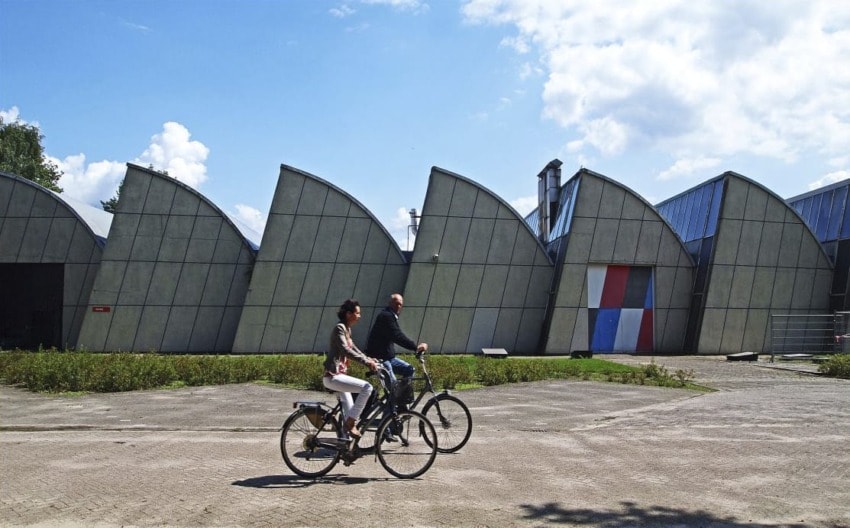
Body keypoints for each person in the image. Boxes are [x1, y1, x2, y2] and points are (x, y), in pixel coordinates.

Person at [323, 299, 379, 439]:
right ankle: (350, 423)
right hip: (333, 376)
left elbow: (354, 349)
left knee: (350, 412)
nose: (359, 316)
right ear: (349, 314)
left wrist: (369, 359)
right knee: (367, 388)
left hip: (338, 377)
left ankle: (345, 448)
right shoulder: (339, 328)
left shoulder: (347, 329)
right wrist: (366, 362)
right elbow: (346, 350)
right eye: (357, 313)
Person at [366, 293, 427, 384]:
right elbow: (397, 336)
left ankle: (402, 396)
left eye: (400, 305)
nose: (398, 306)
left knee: (409, 369)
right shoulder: (386, 316)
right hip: (379, 358)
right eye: (396, 304)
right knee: (393, 384)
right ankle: (395, 396)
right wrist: (415, 347)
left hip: (389, 358)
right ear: (390, 303)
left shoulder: (391, 316)